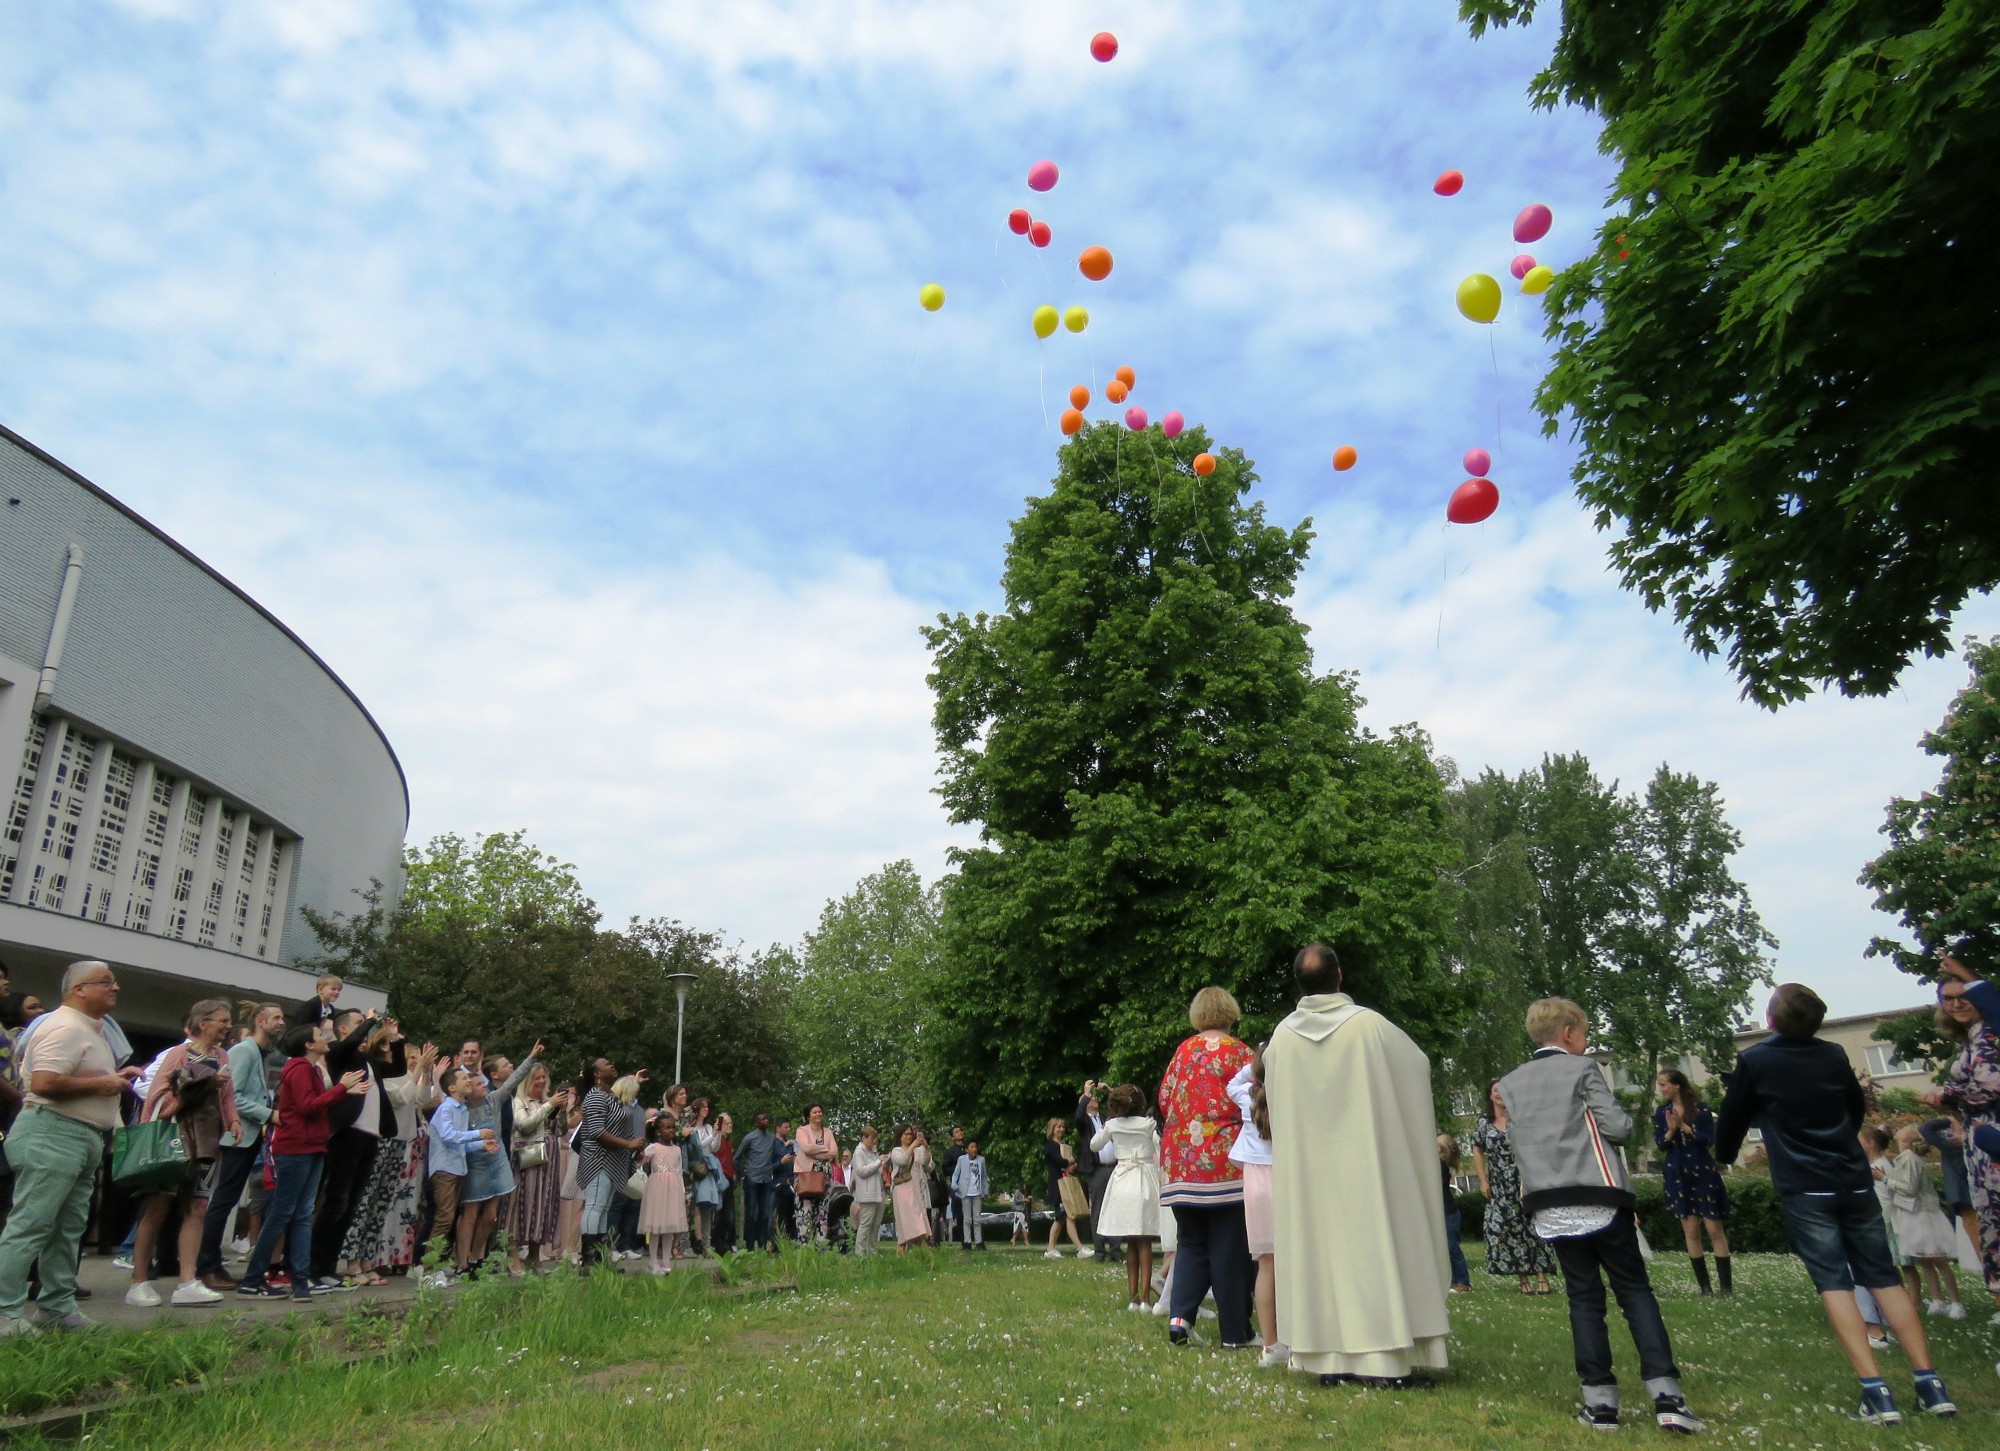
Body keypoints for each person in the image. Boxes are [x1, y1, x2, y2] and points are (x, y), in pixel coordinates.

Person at [1717, 983, 1954, 1424]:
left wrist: (1725, 1153)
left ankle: (1876, 1392)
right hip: (1853, 1180)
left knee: (1834, 1283)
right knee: (1883, 1277)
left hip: (1806, 1187)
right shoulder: (1831, 1054)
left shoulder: (1756, 1059)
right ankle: (1930, 1384)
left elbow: (1733, 1119)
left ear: (1770, 1020)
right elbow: (1852, 1108)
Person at [1501, 997, 1701, 1432]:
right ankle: (1667, 1397)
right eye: (1586, 1034)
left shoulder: (1511, 1082)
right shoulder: (1582, 1068)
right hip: (1598, 1193)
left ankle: (1600, 1404)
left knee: (1583, 1299)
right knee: (1633, 1291)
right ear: (1569, 1033)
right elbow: (1619, 1128)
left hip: (1549, 1203)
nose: (1587, 1041)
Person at [1264, 944, 1448, 1384]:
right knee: (1374, 1250)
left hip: (1309, 1177)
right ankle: (1383, 1360)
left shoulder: (1281, 1040)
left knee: (1318, 1255)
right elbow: (1417, 1066)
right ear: (1339, 976)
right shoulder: (1370, 1027)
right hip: (1368, 1170)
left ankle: (1328, 1360)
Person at [0, 962, 141, 1334]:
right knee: (31, 1224)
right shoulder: (63, 1025)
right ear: (78, 989)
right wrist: (102, 1085)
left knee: (67, 1229)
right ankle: (4, 1312)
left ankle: (57, 1308)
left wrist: (110, 1079)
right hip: (52, 1133)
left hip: (78, 1136)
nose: (116, 988)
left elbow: (69, 1075)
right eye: (106, 982)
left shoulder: (86, 1028)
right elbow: (44, 1083)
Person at [237, 1023, 370, 1300]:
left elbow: (315, 1104)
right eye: (320, 1036)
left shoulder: (309, 1070)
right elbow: (308, 1106)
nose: (326, 1039)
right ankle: (253, 1279)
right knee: (283, 1215)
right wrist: (341, 1088)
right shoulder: (298, 1069)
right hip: (296, 1149)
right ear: (308, 1045)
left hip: (311, 1148)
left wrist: (343, 1092)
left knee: (302, 1215)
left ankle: (300, 1281)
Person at [126, 998, 239, 1308]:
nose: (227, 1026)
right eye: (222, 1020)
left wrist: (233, 1120)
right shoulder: (179, 1054)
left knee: (198, 1208)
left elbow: (227, 1096)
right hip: (173, 1141)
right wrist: (200, 1085)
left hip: (205, 1144)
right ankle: (138, 1280)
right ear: (203, 1023)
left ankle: (187, 1280)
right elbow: (157, 1094)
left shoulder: (223, 1055)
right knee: (158, 1207)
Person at [1158, 985, 1251, 1346]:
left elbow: (1165, 1099)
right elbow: (1255, 1102)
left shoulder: (1182, 1051)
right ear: (1230, 1012)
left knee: (1191, 1243)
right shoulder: (1239, 1053)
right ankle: (1235, 1332)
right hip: (1225, 1164)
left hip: (1182, 1164)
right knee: (1229, 1249)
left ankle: (1180, 1319)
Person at [1924, 950, 2000, 1320]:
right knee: (1990, 1227)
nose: (1956, 1004)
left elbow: (1989, 1085)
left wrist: (1946, 1096)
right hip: (1979, 1145)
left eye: (1963, 996)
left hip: (1993, 1145)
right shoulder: (1969, 1039)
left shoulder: (1987, 1035)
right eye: (1948, 999)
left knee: (1997, 1229)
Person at [195, 1001, 283, 1291]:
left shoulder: (262, 1053)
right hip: (234, 1137)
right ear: (260, 1020)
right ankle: (206, 1265)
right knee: (222, 1200)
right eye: (276, 1018)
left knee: (227, 1199)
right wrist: (268, 1114)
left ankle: (210, 1263)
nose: (282, 1023)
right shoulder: (244, 1051)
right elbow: (234, 1095)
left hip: (246, 1136)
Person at [344, 1036, 439, 1283]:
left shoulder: (411, 1076)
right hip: (382, 1140)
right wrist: (417, 1071)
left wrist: (426, 1072)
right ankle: (351, 1261)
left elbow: (423, 1098)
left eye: (419, 1058)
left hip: (402, 1142)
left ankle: (368, 1259)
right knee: (366, 1202)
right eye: (413, 1058)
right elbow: (400, 1098)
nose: (416, 1062)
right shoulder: (385, 1075)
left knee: (381, 1204)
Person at [1654, 1068, 1733, 1297]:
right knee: (1691, 1230)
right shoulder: (1662, 1112)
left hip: (1702, 1170)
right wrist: (1671, 1130)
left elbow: (1707, 1140)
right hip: (1678, 1172)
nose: (1661, 1089)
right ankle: (1705, 1287)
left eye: (1664, 1085)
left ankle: (1726, 1287)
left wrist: (1685, 1127)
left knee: (1713, 1227)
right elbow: (1661, 1144)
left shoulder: (1700, 1109)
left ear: (1676, 1085)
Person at [1474, 1082, 1558, 1295]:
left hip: (1525, 1180)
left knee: (1534, 1227)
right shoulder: (1484, 1122)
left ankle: (1542, 1276)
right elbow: (1477, 1149)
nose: (1500, 1094)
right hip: (1500, 1185)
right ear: (1491, 1096)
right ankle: (1523, 1279)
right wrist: (1483, 1180)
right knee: (1509, 1229)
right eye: (1496, 1090)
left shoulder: (1520, 1118)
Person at [424, 1065, 499, 1280]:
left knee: (449, 1217)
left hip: (457, 1168)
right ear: (452, 1087)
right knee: (444, 1218)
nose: (469, 1080)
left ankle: (437, 1264)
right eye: (464, 1078)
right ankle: (429, 1270)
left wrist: (481, 1144)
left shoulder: (462, 1110)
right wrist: (477, 1134)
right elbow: (448, 1136)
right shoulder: (446, 1108)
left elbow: (460, 1143)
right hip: (444, 1169)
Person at [1092, 1084, 1162, 1315]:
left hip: (1122, 1178)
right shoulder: (1148, 1124)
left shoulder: (1112, 1125)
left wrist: (1108, 1126)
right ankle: (1145, 1299)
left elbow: (1095, 1145)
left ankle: (1132, 1298)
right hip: (1143, 1177)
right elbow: (1158, 1145)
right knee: (1145, 1241)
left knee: (1131, 1240)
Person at [1885, 1124, 1966, 1319]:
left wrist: (1886, 1180)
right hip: (1916, 1213)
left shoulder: (1909, 1159)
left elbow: (1910, 1188)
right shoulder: (1905, 1158)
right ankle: (1938, 1300)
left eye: (1901, 1132)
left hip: (1924, 1214)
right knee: (1925, 1260)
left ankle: (1956, 1303)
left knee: (1938, 1259)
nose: (1897, 1133)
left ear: (1906, 1139)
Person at [574, 1060, 642, 1270]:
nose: (613, 1065)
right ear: (597, 1073)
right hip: (598, 1160)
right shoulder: (594, 1097)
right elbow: (596, 1131)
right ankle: (588, 1259)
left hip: (613, 1162)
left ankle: (600, 1259)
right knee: (595, 1206)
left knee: (603, 1209)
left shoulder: (609, 1097)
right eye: (606, 1064)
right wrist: (628, 1143)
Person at [506, 1062, 570, 1275]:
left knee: (542, 1206)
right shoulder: (518, 1102)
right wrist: (549, 1106)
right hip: (527, 1159)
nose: (541, 1081)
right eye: (537, 1078)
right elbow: (524, 1126)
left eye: (544, 1077)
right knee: (521, 1205)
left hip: (549, 1160)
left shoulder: (546, 1101)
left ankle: (534, 1255)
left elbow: (560, 1131)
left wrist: (561, 1112)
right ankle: (513, 1255)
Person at [638, 1114, 687, 1273]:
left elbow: (679, 1172)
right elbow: (639, 1161)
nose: (671, 1130)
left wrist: (683, 1192)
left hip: (673, 1190)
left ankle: (666, 1261)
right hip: (657, 1189)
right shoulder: (653, 1148)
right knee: (656, 1225)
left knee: (669, 1226)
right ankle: (653, 1261)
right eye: (667, 1127)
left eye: (673, 1127)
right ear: (658, 1131)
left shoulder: (677, 1150)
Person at [1041, 1119, 1088, 1259]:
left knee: (1063, 1216)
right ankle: (1079, 1248)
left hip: (1066, 1184)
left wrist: (1072, 1165)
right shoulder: (1050, 1146)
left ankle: (1051, 1249)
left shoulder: (1064, 1146)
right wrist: (1071, 1161)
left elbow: (1068, 1165)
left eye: (1063, 1126)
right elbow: (1061, 1162)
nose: (1061, 1129)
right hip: (1058, 1186)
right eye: (1058, 1127)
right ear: (1052, 1129)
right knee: (1065, 1216)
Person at [792, 1104, 838, 1245]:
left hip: (824, 1178)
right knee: (805, 1212)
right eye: (814, 1112)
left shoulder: (828, 1132)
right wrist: (825, 1149)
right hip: (806, 1176)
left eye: (820, 1112)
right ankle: (805, 1247)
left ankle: (821, 1246)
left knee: (822, 1212)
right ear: (808, 1116)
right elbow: (806, 1148)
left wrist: (815, 1152)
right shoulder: (802, 1131)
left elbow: (835, 1152)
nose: (818, 1114)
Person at [736, 1112, 780, 1252]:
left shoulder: (772, 1138)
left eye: (767, 1118)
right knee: (750, 1213)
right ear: (756, 1122)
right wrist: (743, 1173)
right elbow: (737, 1157)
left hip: (766, 1179)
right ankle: (749, 1246)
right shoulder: (749, 1138)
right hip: (752, 1179)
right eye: (762, 1119)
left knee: (765, 1214)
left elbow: (776, 1154)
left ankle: (762, 1245)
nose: (765, 1120)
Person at [1437, 1135, 1473, 1295]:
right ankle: (1452, 1280)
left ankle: (1462, 1281)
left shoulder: (1441, 1166)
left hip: (1448, 1212)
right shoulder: (1441, 1165)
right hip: (1446, 1211)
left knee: (1452, 1247)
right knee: (1447, 1247)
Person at [888, 1124, 932, 1251]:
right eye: (906, 1134)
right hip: (903, 1189)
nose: (909, 1136)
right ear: (900, 1136)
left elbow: (925, 1162)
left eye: (910, 1134)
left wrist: (925, 1147)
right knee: (907, 1221)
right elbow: (902, 1160)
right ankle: (903, 1248)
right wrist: (913, 1145)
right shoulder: (896, 1151)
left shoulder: (917, 1150)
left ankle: (920, 1248)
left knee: (919, 1218)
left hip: (916, 1188)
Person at [850, 1124, 886, 1255]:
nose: (874, 1141)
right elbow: (861, 1171)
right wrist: (878, 1162)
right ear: (864, 1138)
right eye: (872, 1138)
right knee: (866, 1224)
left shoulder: (873, 1151)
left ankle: (872, 1250)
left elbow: (877, 1170)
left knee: (876, 1224)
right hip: (867, 1193)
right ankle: (859, 1252)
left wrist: (884, 1162)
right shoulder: (859, 1152)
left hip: (879, 1191)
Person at [950, 1136, 989, 1250]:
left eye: (975, 1147)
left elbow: (984, 1177)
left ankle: (979, 1241)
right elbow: (956, 1174)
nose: (974, 1149)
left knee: (977, 1219)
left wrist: (985, 1191)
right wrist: (954, 1185)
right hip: (965, 1192)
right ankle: (967, 1242)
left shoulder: (981, 1160)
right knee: (966, 1219)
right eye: (972, 1147)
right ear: (967, 1149)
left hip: (976, 1192)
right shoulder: (962, 1159)